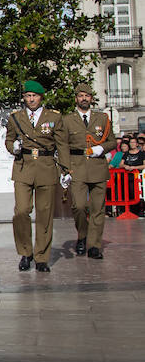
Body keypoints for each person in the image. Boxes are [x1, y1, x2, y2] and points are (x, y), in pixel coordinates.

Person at [4, 80, 68, 273]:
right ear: (24, 97)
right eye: (28, 96)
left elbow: (62, 144)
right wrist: (12, 147)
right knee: (21, 211)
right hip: (23, 167)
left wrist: (66, 169)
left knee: (44, 214)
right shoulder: (16, 117)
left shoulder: (54, 117)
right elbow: (9, 139)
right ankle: (26, 252)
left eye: (35, 96)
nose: (31, 99)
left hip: (46, 167)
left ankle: (42, 256)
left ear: (41, 97)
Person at [61, 83, 115, 259]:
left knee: (97, 208)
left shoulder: (102, 119)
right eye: (81, 95)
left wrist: (102, 148)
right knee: (79, 206)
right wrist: (65, 169)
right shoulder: (67, 120)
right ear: (76, 99)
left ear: (92, 98)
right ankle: (82, 235)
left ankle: (94, 245)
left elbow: (112, 141)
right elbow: (63, 146)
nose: (84, 98)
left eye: (87, 95)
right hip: (77, 166)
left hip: (97, 166)